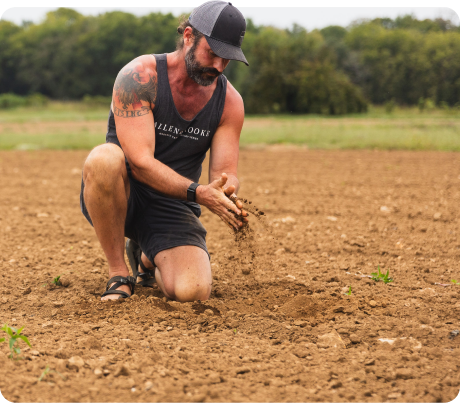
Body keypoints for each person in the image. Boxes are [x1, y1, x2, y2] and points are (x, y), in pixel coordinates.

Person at [80, 0, 249, 302]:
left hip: (174, 203)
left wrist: (226, 192)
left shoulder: (230, 102)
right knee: (103, 159)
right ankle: (118, 274)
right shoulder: (140, 77)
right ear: (188, 37)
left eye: (227, 60)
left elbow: (225, 173)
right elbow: (140, 162)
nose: (219, 67)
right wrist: (199, 192)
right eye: (213, 54)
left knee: (193, 292)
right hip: (123, 193)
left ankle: (146, 257)